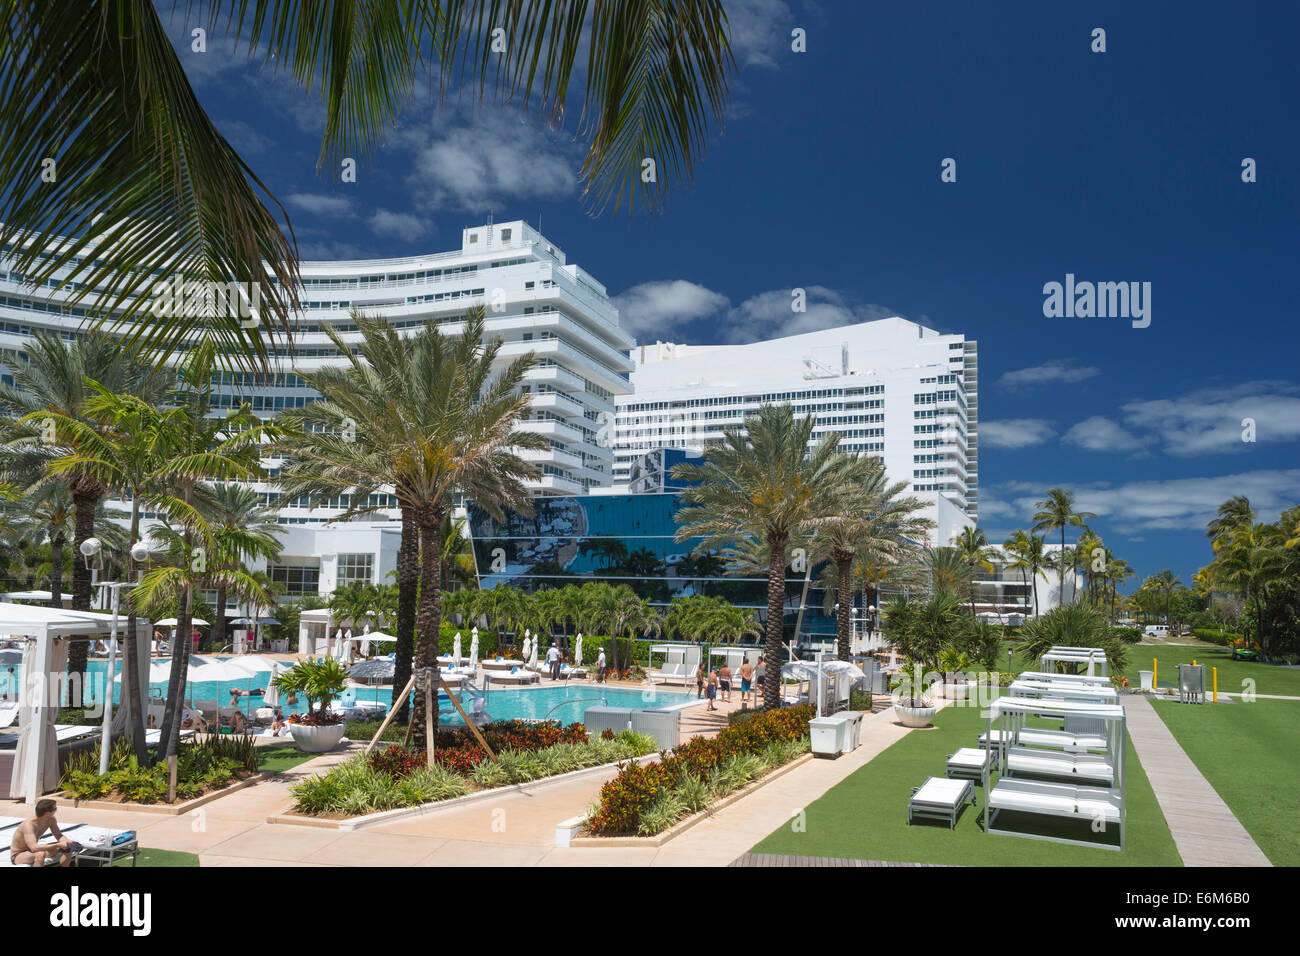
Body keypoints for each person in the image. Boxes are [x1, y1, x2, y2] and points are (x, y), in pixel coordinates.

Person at [10, 799, 74, 867]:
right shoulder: (28, 825)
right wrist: (58, 845)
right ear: (47, 813)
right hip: (18, 855)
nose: (56, 811)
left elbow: (58, 835)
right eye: (55, 809)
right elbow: (33, 847)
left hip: (32, 851)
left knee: (67, 847)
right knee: (40, 854)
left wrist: (67, 842)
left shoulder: (51, 820)